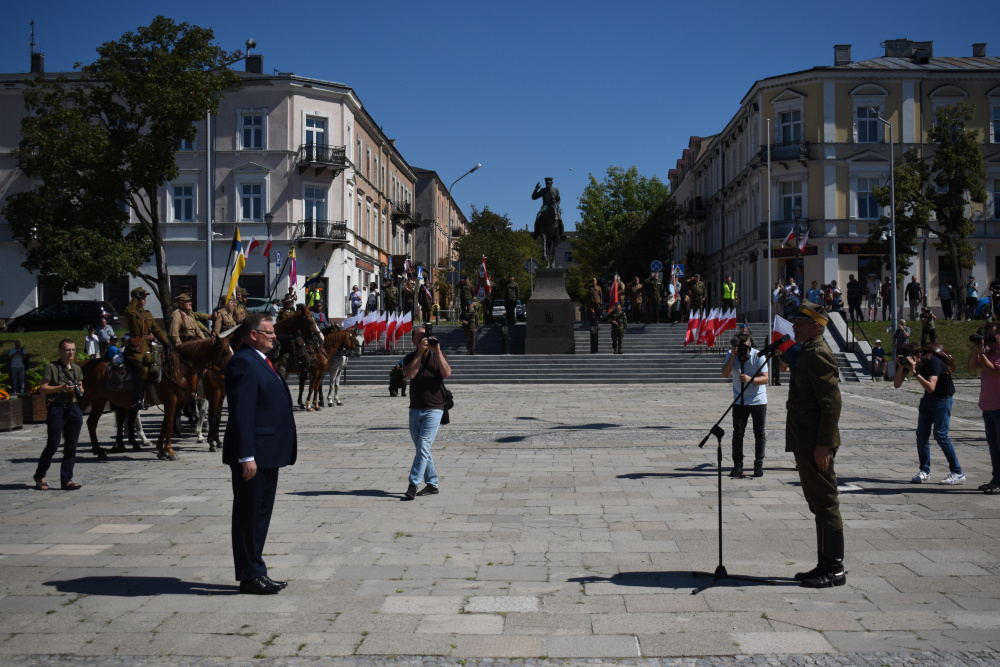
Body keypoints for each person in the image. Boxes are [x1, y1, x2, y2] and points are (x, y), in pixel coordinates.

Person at [223, 313, 297, 595]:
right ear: (253, 334)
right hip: (253, 454)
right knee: (248, 514)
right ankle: (249, 574)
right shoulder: (243, 362)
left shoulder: (260, 360)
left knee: (260, 514)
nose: (274, 336)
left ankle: (256, 569)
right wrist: (246, 456)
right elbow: (242, 413)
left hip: (269, 452)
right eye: (269, 333)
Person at [786, 301, 845, 588]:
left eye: (799, 321)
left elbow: (831, 403)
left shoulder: (818, 352)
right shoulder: (807, 351)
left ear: (815, 325)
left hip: (816, 442)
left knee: (825, 502)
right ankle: (824, 563)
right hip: (806, 439)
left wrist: (823, 445)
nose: (794, 325)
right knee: (817, 503)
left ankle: (834, 569)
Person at [894, 342, 964, 485]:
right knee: (921, 435)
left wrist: (914, 372)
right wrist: (902, 367)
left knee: (940, 435)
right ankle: (924, 471)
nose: (909, 361)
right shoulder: (911, 362)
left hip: (942, 399)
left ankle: (957, 472)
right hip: (928, 399)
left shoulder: (933, 361)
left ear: (919, 355)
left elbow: (931, 387)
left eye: (911, 358)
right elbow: (896, 384)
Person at [401, 327, 452, 500]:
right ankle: (432, 483)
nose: (425, 339)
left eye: (427, 336)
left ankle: (413, 484)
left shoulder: (439, 355)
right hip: (415, 409)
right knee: (422, 448)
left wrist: (437, 351)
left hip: (434, 408)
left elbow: (447, 373)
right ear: (414, 341)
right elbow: (411, 374)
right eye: (421, 337)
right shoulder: (410, 357)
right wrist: (419, 354)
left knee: (423, 446)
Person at [33, 339, 85, 492]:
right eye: (68, 350)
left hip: (73, 409)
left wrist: (77, 389)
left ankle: (66, 479)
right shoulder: (52, 367)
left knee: (71, 446)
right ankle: (40, 475)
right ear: (60, 351)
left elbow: (82, 387)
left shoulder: (76, 369)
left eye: (73, 350)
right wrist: (62, 387)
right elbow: (43, 389)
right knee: (53, 444)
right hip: (57, 409)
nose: (71, 353)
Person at [721, 325, 768, 477]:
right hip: (739, 401)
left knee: (759, 432)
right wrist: (733, 356)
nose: (742, 346)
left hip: (758, 400)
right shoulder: (731, 354)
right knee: (738, 433)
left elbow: (766, 378)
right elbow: (725, 373)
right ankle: (737, 465)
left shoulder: (758, 355)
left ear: (750, 342)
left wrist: (750, 379)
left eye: (745, 342)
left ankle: (758, 464)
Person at [124, 287, 169, 411]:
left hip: (148, 346)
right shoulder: (132, 313)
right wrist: (134, 298)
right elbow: (129, 312)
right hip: (136, 349)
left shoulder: (146, 314)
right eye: (142, 297)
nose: (144, 299)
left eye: (145, 297)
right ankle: (137, 399)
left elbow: (156, 329)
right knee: (143, 370)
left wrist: (165, 342)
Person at [968, 323, 1000, 493]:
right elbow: (972, 366)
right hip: (988, 406)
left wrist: (982, 353)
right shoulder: (987, 351)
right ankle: (997, 479)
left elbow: (994, 372)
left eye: (992, 337)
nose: (988, 340)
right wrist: (977, 350)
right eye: (986, 336)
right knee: (993, 446)